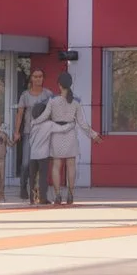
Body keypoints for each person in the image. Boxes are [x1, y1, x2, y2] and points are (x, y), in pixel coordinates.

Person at [39, 73, 99, 206]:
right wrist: (94, 135)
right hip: (71, 135)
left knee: (56, 166)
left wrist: (35, 124)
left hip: (56, 134)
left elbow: (44, 117)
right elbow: (83, 123)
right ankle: (71, 195)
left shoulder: (52, 100)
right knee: (71, 166)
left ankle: (58, 195)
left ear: (59, 85)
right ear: (70, 84)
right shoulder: (76, 101)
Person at [16, 71, 52, 205]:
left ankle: (38, 192)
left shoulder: (48, 94)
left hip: (43, 134)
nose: (38, 79)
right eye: (35, 76)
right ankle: (22, 186)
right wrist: (16, 131)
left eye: (40, 76)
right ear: (31, 78)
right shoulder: (25, 95)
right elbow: (20, 113)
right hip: (28, 132)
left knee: (40, 165)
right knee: (26, 163)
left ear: (43, 78)